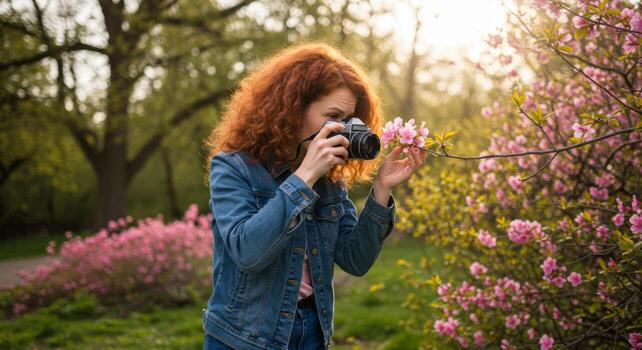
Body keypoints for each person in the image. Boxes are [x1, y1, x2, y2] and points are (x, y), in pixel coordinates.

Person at [202, 42, 425, 350]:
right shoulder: (234, 167)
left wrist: (381, 191)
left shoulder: (330, 180)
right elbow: (247, 252)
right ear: (292, 110)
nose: (342, 129)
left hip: (312, 333)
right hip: (246, 337)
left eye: (348, 119)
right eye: (333, 115)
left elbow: (355, 260)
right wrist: (304, 177)